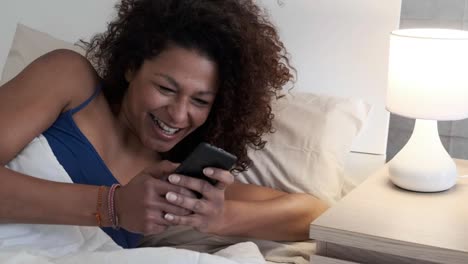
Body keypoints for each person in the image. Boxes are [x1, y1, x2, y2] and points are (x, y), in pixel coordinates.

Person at [0, 0, 328, 249]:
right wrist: (112, 206)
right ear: (131, 67)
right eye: (166, 89)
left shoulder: (177, 180)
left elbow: (314, 215)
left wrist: (221, 217)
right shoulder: (70, 79)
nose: (178, 114)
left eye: (200, 101)